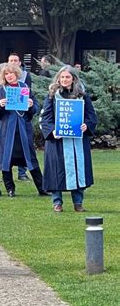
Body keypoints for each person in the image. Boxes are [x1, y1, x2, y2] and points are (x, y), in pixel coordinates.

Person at [40, 66, 97, 212]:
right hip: (57, 141)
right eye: (62, 77)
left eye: (68, 77)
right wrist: (52, 131)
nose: (65, 80)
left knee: (78, 170)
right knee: (56, 171)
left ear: (73, 79)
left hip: (77, 140)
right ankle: (57, 202)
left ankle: (78, 203)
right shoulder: (52, 96)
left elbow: (91, 116)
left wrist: (87, 125)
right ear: (58, 78)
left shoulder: (82, 96)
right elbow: (45, 118)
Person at [0, 63, 49, 198]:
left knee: (31, 159)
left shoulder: (24, 89)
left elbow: (35, 106)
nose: (9, 76)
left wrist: (30, 105)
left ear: (17, 74)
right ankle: (10, 189)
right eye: (6, 74)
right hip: (6, 131)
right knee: (6, 160)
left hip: (22, 130)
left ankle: (42, 188)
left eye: (11, 73)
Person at [7, 52, 31, 180]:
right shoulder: (1, 82)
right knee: (8, 149)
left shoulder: (26, 77)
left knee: (23, 147)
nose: (13, 62)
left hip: (21, 118)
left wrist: (29, 104)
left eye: (16, 60)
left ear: (20, 63)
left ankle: (22, 172)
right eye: (11, 60)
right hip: (8, 120)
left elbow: (29, 94)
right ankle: (7, 174)